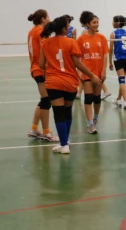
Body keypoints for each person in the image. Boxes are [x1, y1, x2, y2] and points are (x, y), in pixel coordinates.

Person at [39, 16, 101, 154]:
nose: (69, 28)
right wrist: (91, 75)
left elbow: (41, 65)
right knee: (67, 111)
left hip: (53, 82)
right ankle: (65, 142)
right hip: (70, 82)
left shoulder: (45, 43)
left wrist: (53, 65)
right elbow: (78, 63)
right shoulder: (72, 42)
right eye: (68, 26)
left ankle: (64, 144)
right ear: (64, 28)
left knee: (58, 113)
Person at [27, 10, 58, 142]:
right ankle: (46, 132)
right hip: (41, 69)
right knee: (46, 101)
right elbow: (44, 48)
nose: (50, 19)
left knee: (43, 100)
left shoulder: (32, 31)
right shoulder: (40, 32)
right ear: (44, 19)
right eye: (48, 17)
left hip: (35, 68)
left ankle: (34, 128)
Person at [77, 11, 109, 134]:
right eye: (94, 22)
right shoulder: (81, 39)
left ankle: (95, 117)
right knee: (88, 97)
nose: (96, 24)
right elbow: (78, 56)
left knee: (97, 98)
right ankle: (90, 123)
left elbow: (105, 54)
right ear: (88, 24)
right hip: (87, 72)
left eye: (97, 22)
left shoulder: (101, 38)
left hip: (99, 71)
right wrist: (79, 70)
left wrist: (104, 70)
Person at [109, 15, 126, 109]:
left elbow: (110, 49)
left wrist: (109, 62)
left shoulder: (113, 34)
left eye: (113, 21)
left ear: (117, 23)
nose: (112, 23)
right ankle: (118, 98)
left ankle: (125, 101)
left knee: (121, 80)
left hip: (118, 58)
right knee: (122, 80)